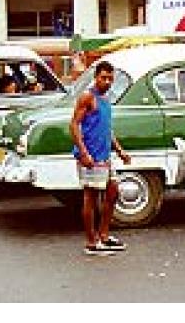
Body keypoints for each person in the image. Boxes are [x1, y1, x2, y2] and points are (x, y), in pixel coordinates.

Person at [69, 60, 131, 255]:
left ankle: (104, 235)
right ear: (96, 77)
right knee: (91, 196)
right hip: (91, 156)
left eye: (110, 79)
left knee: (113, 192)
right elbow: (74, 125)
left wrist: (119, 150)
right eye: (103, 78)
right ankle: (91, 241)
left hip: (104, 155)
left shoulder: (106, 99)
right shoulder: (88, 97)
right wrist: (84, 152)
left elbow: (106, 128)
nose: (107, 82)